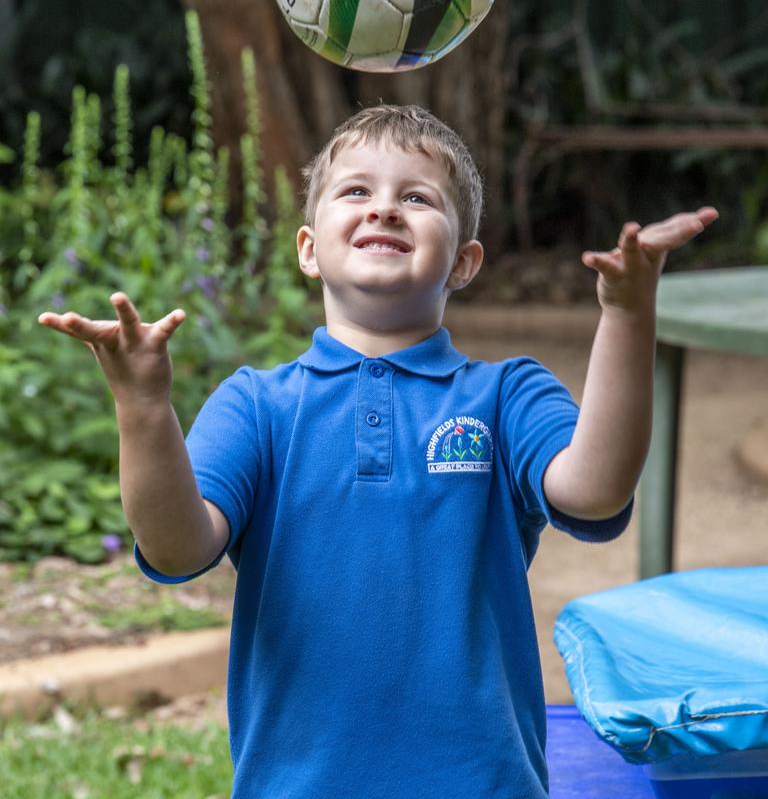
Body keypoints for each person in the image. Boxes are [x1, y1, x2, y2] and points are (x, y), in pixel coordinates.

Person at [38, 104, 718, 799]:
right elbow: (178, 548)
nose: (385, 209)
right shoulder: (256, 407)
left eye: (417, 197)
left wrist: (628, 314)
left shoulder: (507, 394)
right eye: (356, 191)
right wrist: (144, 408)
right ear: (308, 248)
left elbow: (596, 488)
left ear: (463, 262)